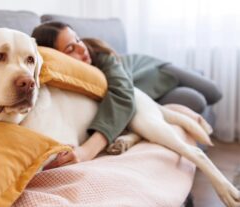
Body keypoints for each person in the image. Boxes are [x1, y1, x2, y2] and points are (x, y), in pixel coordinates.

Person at [31, 22, 221, 169]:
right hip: (144, 93)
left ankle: (188, 72)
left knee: (213, 92)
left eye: (78, 40)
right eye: (70, 49)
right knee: (194, 100)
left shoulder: (100, 55)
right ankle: (163, 113)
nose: (82, 48)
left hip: (153, 70)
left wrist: (88, 150)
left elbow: (122, 96)